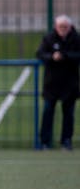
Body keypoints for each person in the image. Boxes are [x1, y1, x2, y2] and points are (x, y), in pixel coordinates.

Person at [36, 15, 80, 150]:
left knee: (68, 114)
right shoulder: (49, 38)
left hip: (70, 84)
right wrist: (52, 57)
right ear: (56, 27)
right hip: (51, 83)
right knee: (48, 111)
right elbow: (40, 53)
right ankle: (44, 142)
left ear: (70, 27)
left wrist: (66, 56)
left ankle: (66, 141)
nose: (63, 29)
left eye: (65, 27)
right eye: (60, 27)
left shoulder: (76, 39)